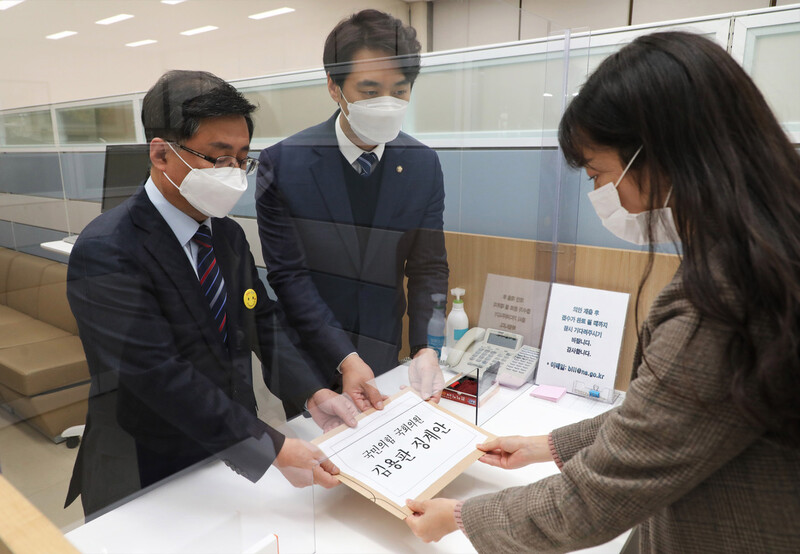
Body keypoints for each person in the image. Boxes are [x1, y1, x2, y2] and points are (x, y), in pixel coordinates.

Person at [405, 31, 800, 552]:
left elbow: (596, 499)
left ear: (662, 155)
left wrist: (461, 516)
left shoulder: (729, 299)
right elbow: (678, 416)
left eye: (600, 173)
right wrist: (549, 444)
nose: (599, 194)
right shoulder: (769, 248)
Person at [65, 70, 359, 519]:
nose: (235, 174)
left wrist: (314, 392)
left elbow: (263, 321)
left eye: (243, 158)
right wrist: (272, 447)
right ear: (162, 154)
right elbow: (157, 375)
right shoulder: (107, 249)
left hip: (226, 451)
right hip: (149, 468)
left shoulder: (225, 235)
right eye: (218, 158)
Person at [255, 9, 449, 409]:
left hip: (384, 354)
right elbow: (289, 276)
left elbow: (428, 267)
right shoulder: (285, 164)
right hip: (312, 362)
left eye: (399, 90)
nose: (387, 103)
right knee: (318, 467)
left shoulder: (422, 164)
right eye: (369, 89)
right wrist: (345, 358)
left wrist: (427, 348)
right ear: (334, 87)